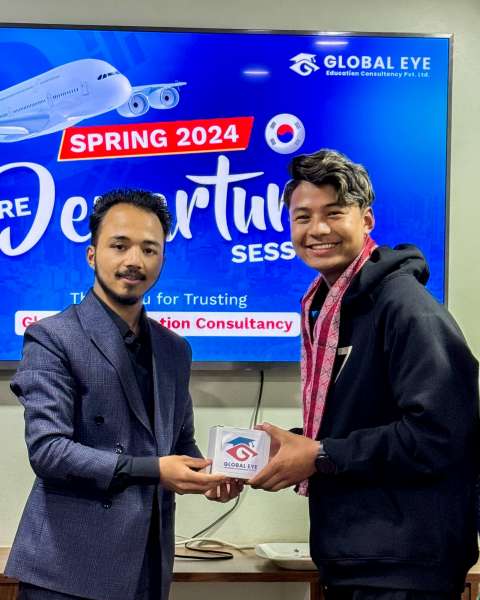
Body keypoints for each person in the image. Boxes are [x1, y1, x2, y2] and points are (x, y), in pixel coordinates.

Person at [249, 150, 479, 599]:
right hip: (361, 562)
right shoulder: (334, 307)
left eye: (334, 213)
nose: (317, 230)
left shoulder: (405, 308)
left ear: (366, 220)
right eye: (302, 217)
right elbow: (364, 423)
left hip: (403, 570)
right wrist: (295, 446)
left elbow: (442, 435)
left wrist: (320, 454)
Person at [6, 189, 240, 600]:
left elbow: (179, 444)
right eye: (119, 245)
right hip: (67, 571)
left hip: (148, 566)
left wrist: (210, 476)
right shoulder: (51, 338)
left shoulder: (174, 349)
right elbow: (48, 451)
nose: (135, 260)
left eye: (149, 249)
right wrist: (153, 469)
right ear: (91, 254)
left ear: (162, 259)